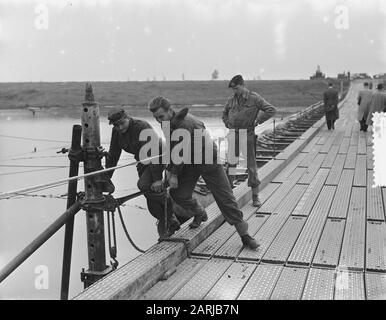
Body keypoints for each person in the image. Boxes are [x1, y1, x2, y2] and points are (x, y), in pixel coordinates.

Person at [148, 96, 260, 250]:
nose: (159, 121)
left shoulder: (186, 124)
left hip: (208, 161)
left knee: (226, 200)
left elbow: (181, 151)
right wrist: (169, 170)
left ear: (170, 111)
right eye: (156, 118)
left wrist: (173, 174)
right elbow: (174, 149)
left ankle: (246, 236)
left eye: (160, 116)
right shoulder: (167, 124)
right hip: (190, 162)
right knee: (178, 193)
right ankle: (199, 212)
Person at [105, 107, 181, 238]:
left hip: (159, 156)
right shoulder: (116, 132)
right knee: (150, 198)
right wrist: (107, 178)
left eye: (122, 123)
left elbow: (154, 155)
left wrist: (158, 179)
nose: (120, 128)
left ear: (128, 118)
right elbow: (113, 156)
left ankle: (168, 206)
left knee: (144, 185)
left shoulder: (141, 127)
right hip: (143, 160)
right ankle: (168, 220)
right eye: (116, 125)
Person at [222, 75, 277, 207]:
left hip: (247, 135)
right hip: (233, 135)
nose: (235, 91)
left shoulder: (254, 98)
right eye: (233, 89)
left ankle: (255, 197)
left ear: (242, 85)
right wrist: (227, 123)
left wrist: (258, 120)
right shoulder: (231, 101)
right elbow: (224, 113)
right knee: (231, 166)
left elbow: (271, 110)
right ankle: (229, 197)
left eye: (236, 88)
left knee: (251, 167)